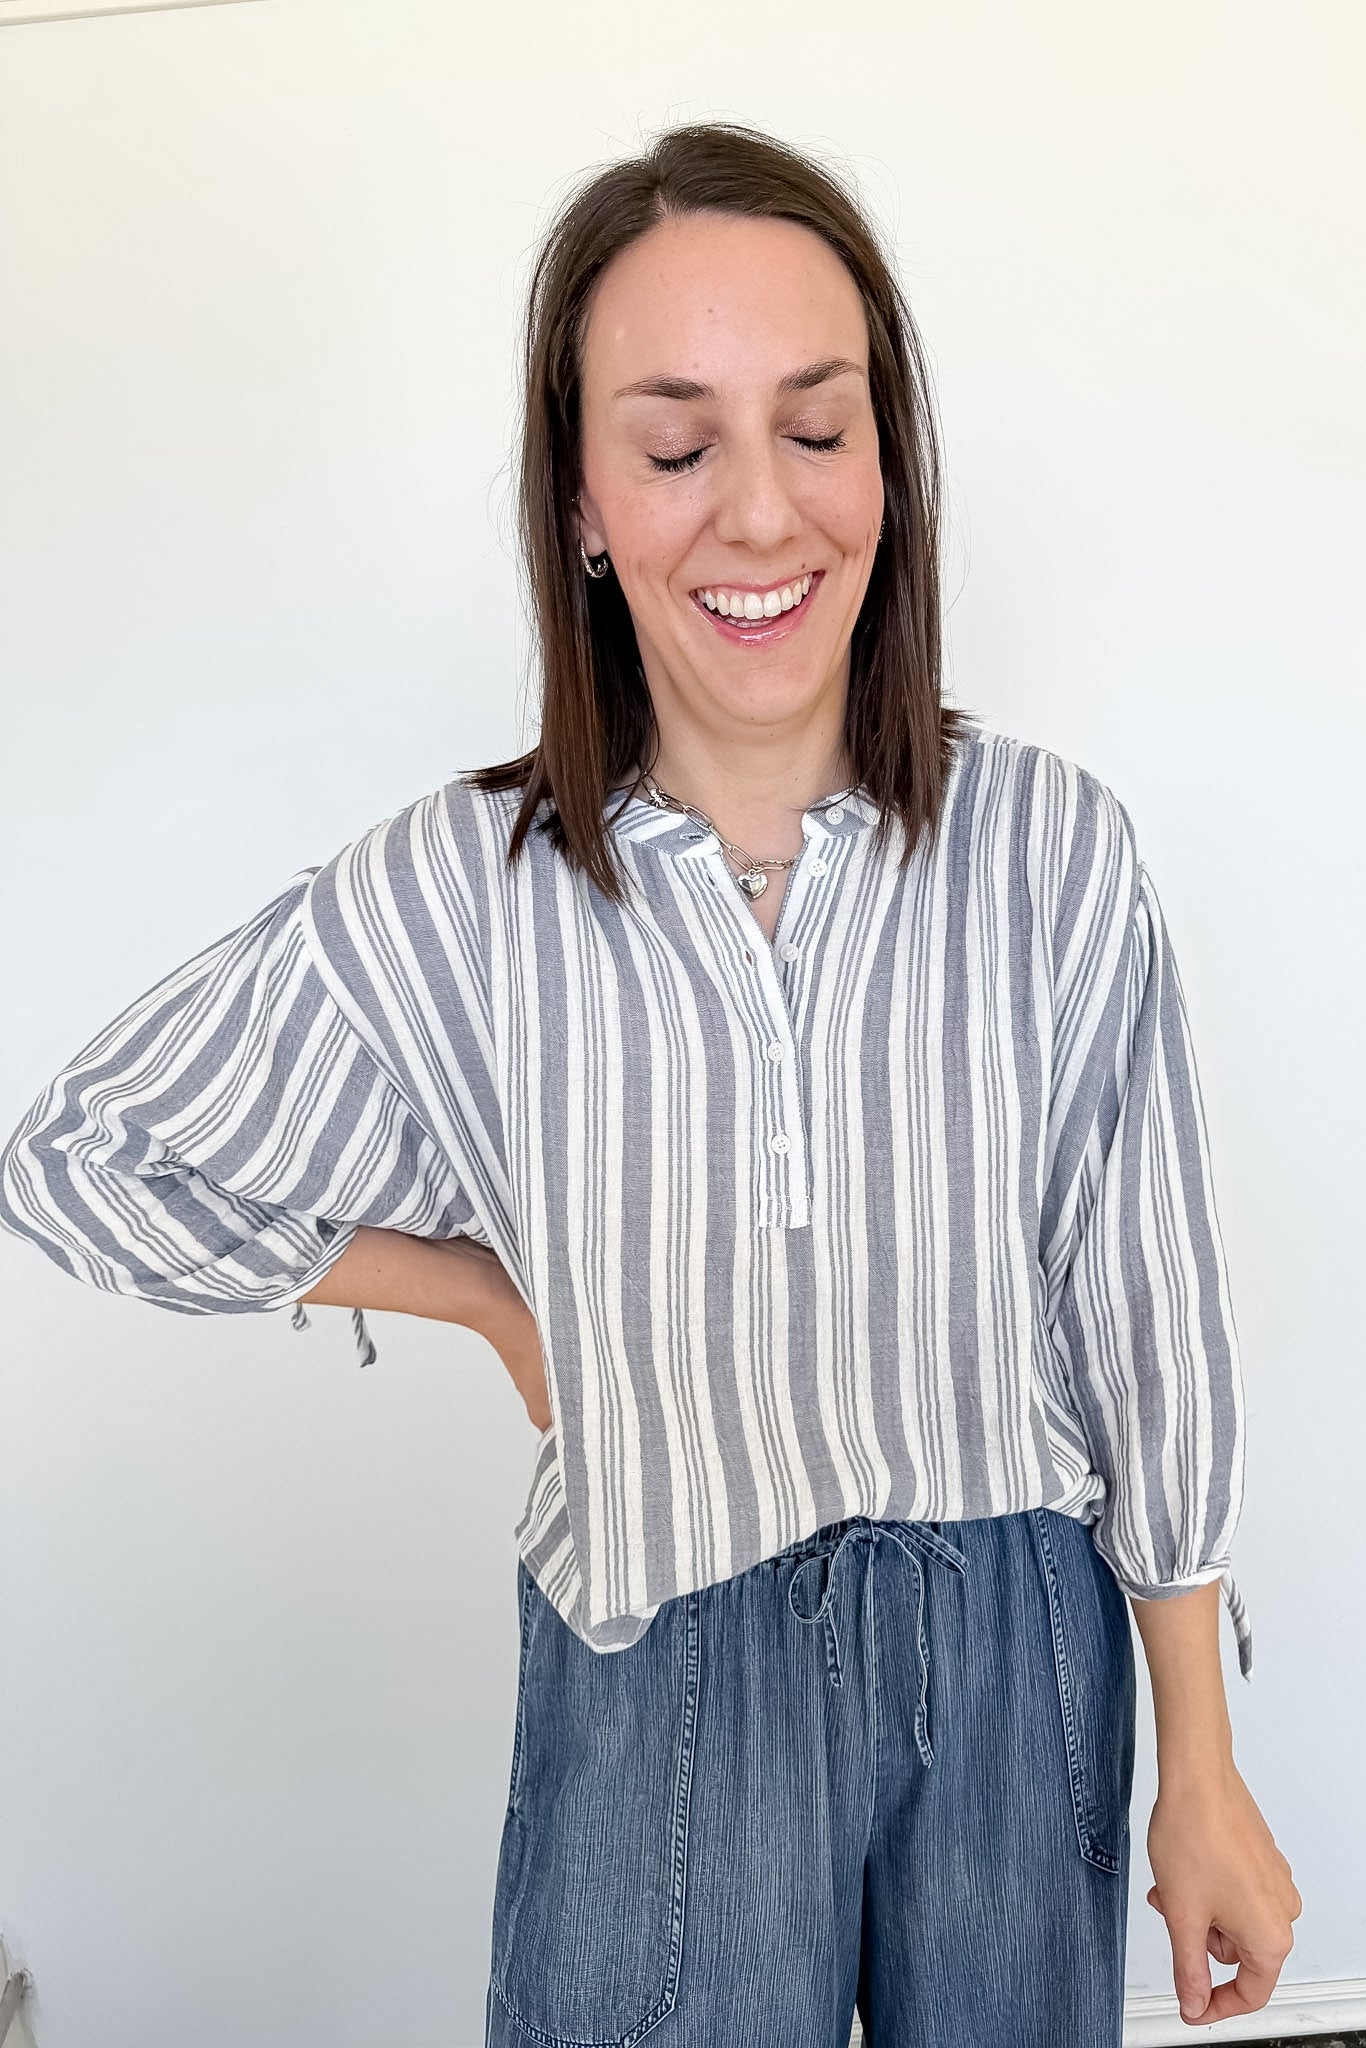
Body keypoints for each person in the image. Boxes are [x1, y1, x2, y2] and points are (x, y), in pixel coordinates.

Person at [0, 121, 1299, 2048]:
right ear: (586, 498)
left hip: (1016, 1657)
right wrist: (474, 1293)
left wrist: (1200, 1761)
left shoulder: (1051, 850)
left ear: (890, 464)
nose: (760, 516)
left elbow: (1143, 1310)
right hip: (658, 1663)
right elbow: (85, 1156)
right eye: (678, 447)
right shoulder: (459, 891)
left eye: (818, 428)